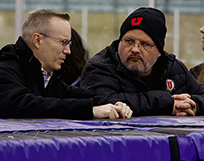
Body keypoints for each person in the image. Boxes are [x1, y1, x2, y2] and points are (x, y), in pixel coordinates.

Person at [80, 7, 204, 116]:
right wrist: (167, 103)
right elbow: (102, 102)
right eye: (129, 41)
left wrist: (192, 105)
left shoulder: (172, 67)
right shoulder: (100, 67)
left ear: (159, 51)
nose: (135, 49)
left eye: (145, 44)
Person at [0, 9, 132, 120]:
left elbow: (76, 95)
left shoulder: (48, 78)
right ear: (37, 40)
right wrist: (90, 111)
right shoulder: (5, 68)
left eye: (68, 44)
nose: (68, 51)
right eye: (63, 42)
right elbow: (23, 104)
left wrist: (115, 104)